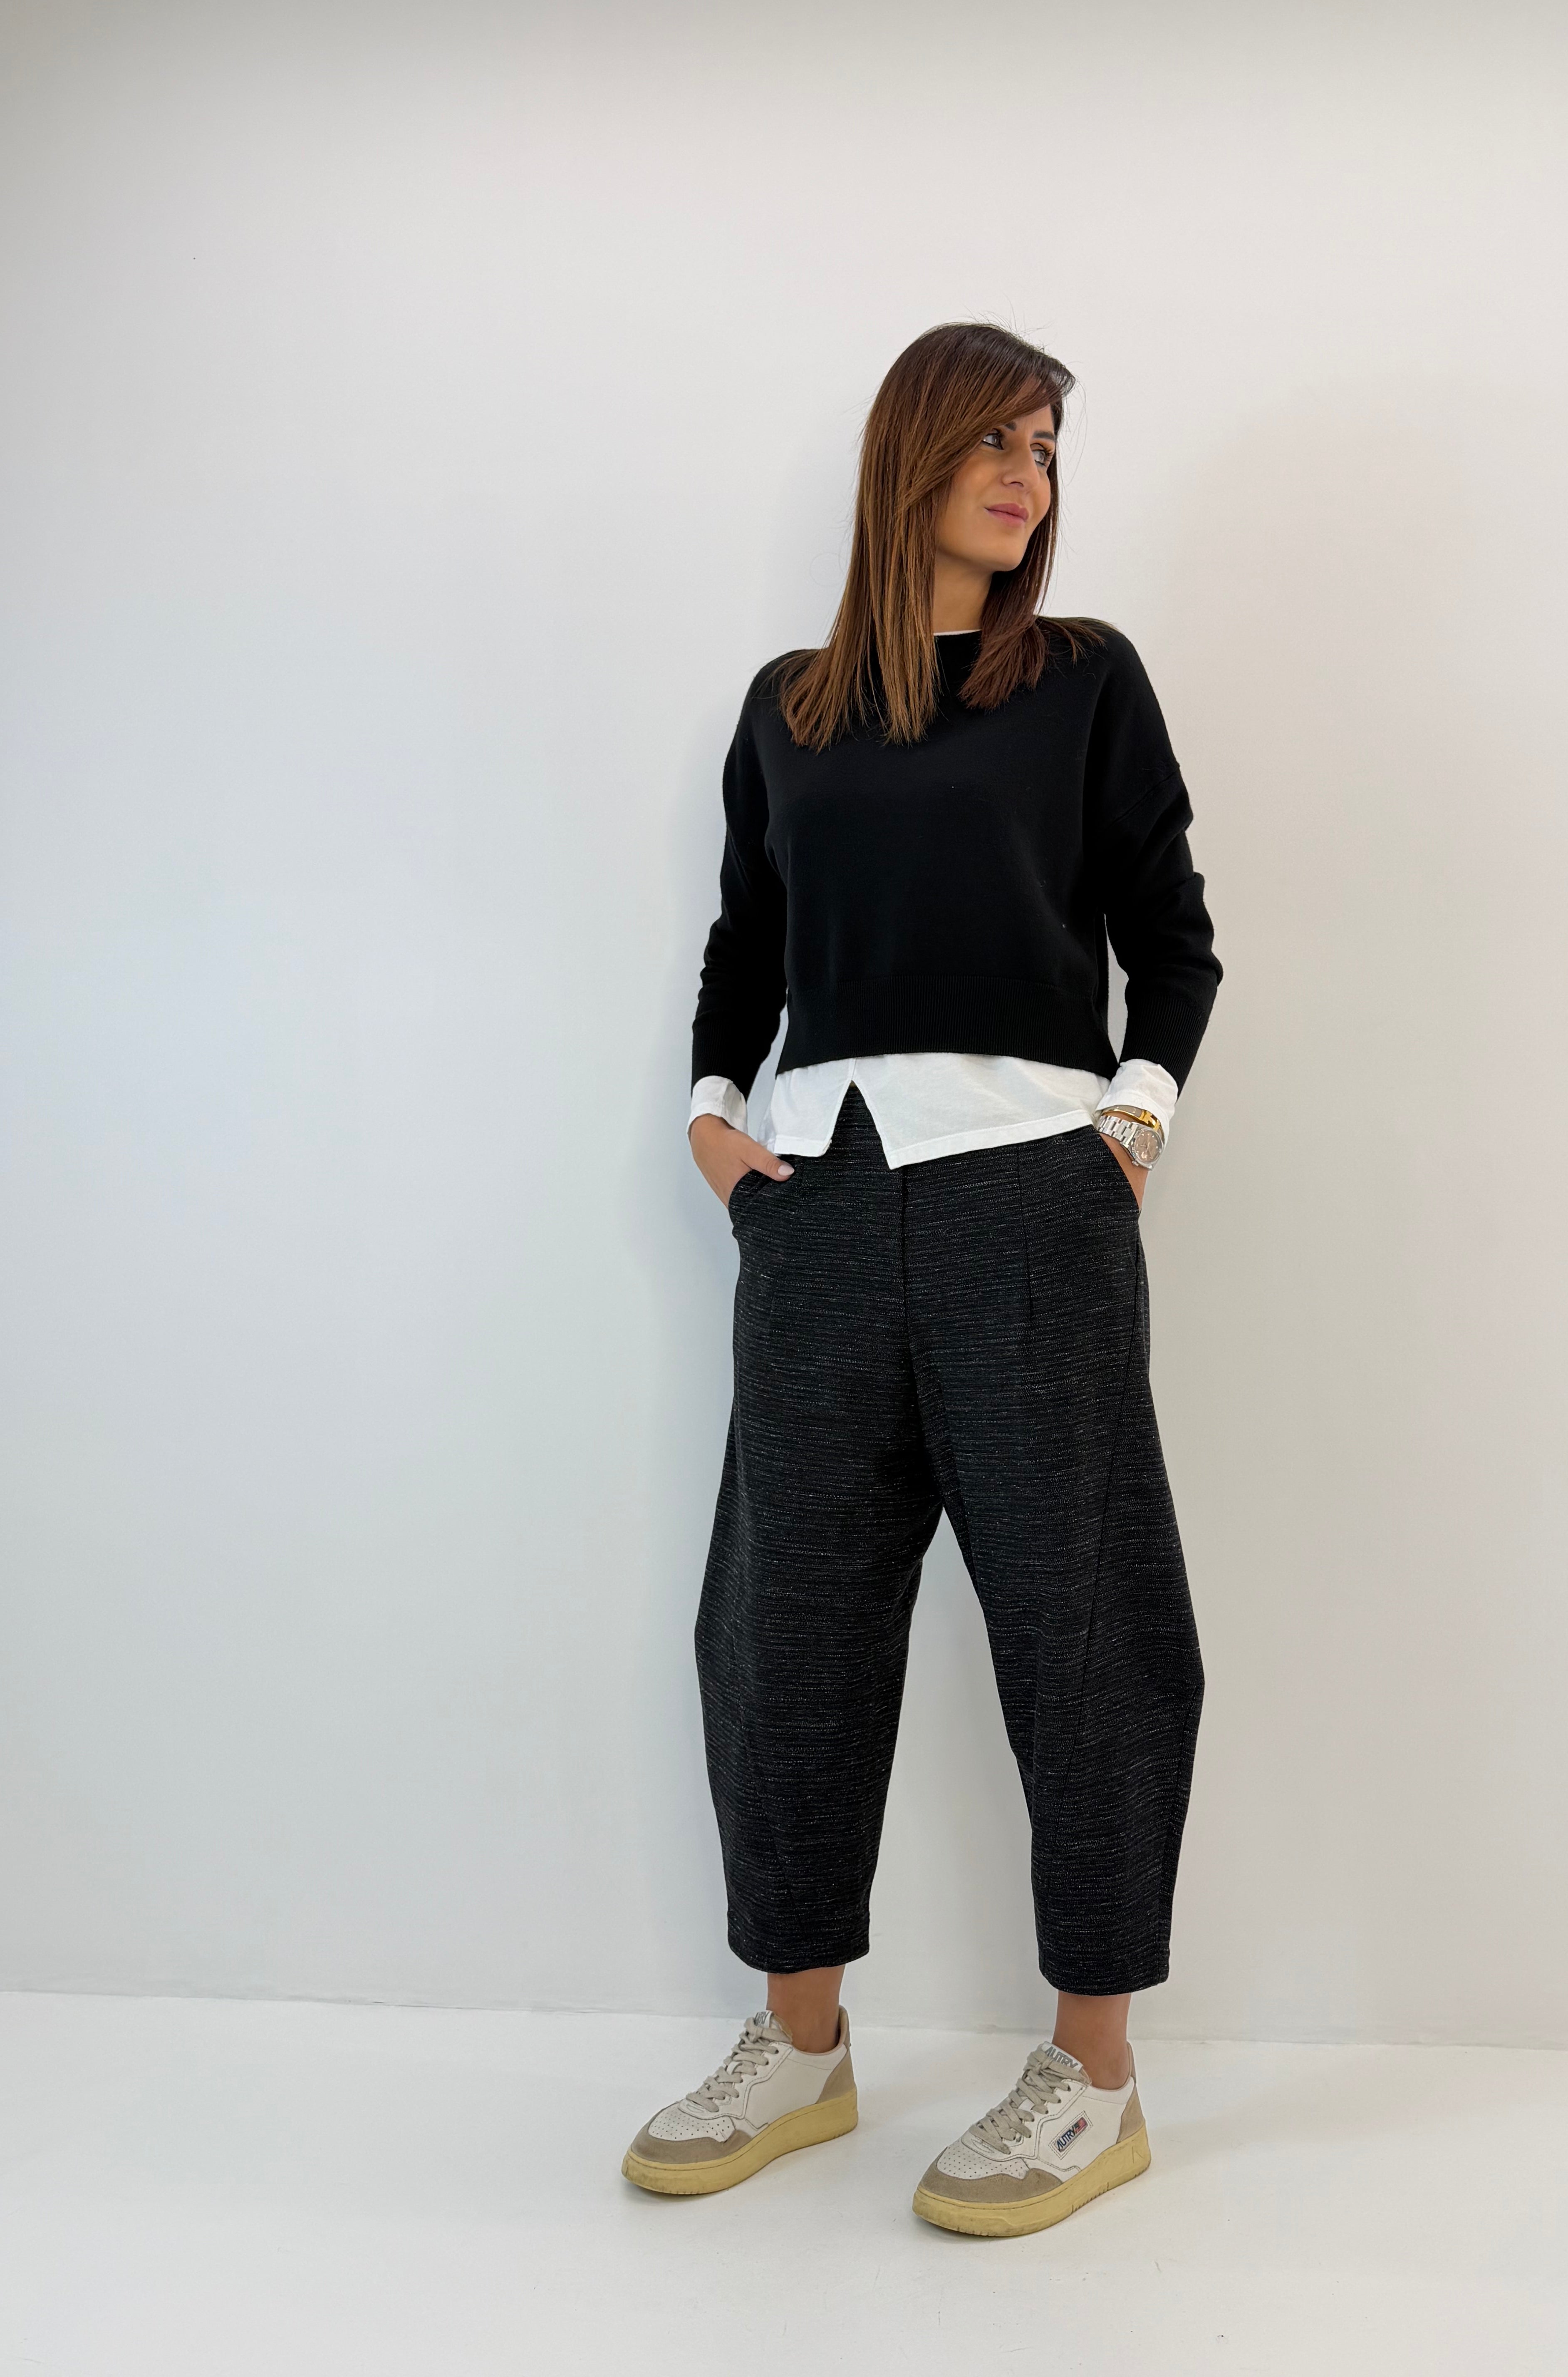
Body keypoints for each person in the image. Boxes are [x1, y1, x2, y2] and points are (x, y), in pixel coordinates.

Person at [622, 321, 1221, 2238]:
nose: (1029, 477)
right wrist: (715, 1121)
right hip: (817, 1196)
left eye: (1047, 448)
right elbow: (748, 946)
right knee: (780, 1625)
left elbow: (1176, 940)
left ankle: (1095, 2077)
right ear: (916, 458)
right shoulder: (789, 709)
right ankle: (800, 2044)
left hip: (1030, 1194)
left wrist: (1128, 1130)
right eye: (998, 441)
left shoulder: (1084, 681)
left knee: (1084, 1623)